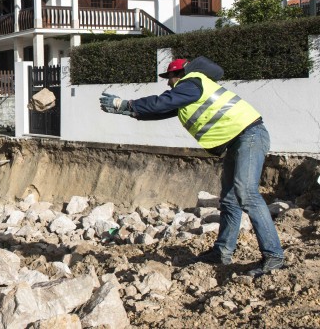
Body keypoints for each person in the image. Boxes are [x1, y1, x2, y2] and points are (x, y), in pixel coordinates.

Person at [99, 56, 284, 277]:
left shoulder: (192, 83)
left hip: (249, 136)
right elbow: (161, 110)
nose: (168, 83)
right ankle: (222, 252)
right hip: (238, 141)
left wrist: (126, 103)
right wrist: (129, 111)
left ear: (178, 75)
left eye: (169, 78)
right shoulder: (189, 93)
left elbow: (162, 102)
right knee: (229, 199)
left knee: (246, 193)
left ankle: (273, 256)